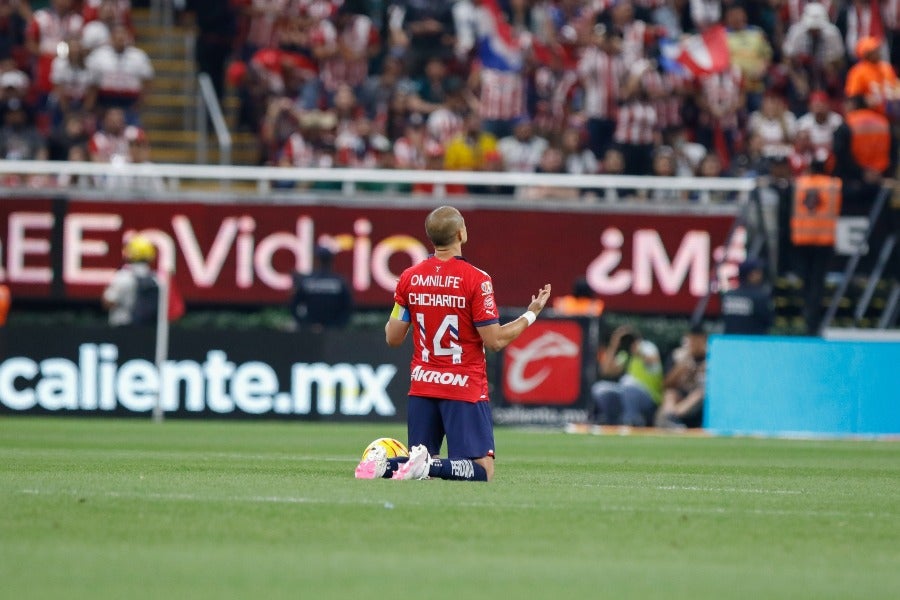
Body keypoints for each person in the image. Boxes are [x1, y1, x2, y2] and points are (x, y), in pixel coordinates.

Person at [356, 206, 551, 482]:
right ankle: (427, 466)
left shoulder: (410, 278)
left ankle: (383, 465)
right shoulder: (477, 279)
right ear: (461, 233)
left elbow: (393, 337)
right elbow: (494, 340)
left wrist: (408, 303)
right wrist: (530, 314)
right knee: (481, 468)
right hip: (463, 387)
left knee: (421, 464)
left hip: (423, 384)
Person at [790, 157, 842, 335]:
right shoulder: (833, 184)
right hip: (823, 240)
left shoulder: (800, 183)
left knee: (806, 280)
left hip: (802, 239)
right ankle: (813, 320)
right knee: (817, 282)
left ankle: (806, 314)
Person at [589, 325, 664, 427]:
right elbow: (606, 371)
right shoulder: (626, 354)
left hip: (650, 397)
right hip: (627, 393)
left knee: (628, 384)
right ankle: (611, 422)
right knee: (600, 388)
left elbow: (653, 360)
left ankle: (631, 421)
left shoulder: (647, 346)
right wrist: (614, 345)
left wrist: (639, 351)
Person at [290, 245, 353, 332]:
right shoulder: (340, 282)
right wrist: (337, 325)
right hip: (333, 332)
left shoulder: (306, 281)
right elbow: (348, 307)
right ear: (331, 261)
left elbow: (294, 306)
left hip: (310, 332)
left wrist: (305, 324)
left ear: (316, 260)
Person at [656, 325, 708, 429]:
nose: (694, 343)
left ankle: (672, 416)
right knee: (670, 393)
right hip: (681, 396)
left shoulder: (711, 357)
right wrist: (681, 367)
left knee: (699, 393)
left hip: (700, 402)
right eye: (691, 339)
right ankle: (669, 419)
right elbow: (666, 385)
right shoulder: (678, 355)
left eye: (698, 339)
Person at [102, 234, 159, 327]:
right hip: (149, 332)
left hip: (121, 329)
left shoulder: (122, 277)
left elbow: (108, 303)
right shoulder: (156, 279)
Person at [721, 258, 775, 335]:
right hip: (754, 343)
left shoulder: (728, 295)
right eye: (758, 272)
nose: (761, 275)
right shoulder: (760, 297)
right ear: (750, 275)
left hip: (730, 342)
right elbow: (770, 321)